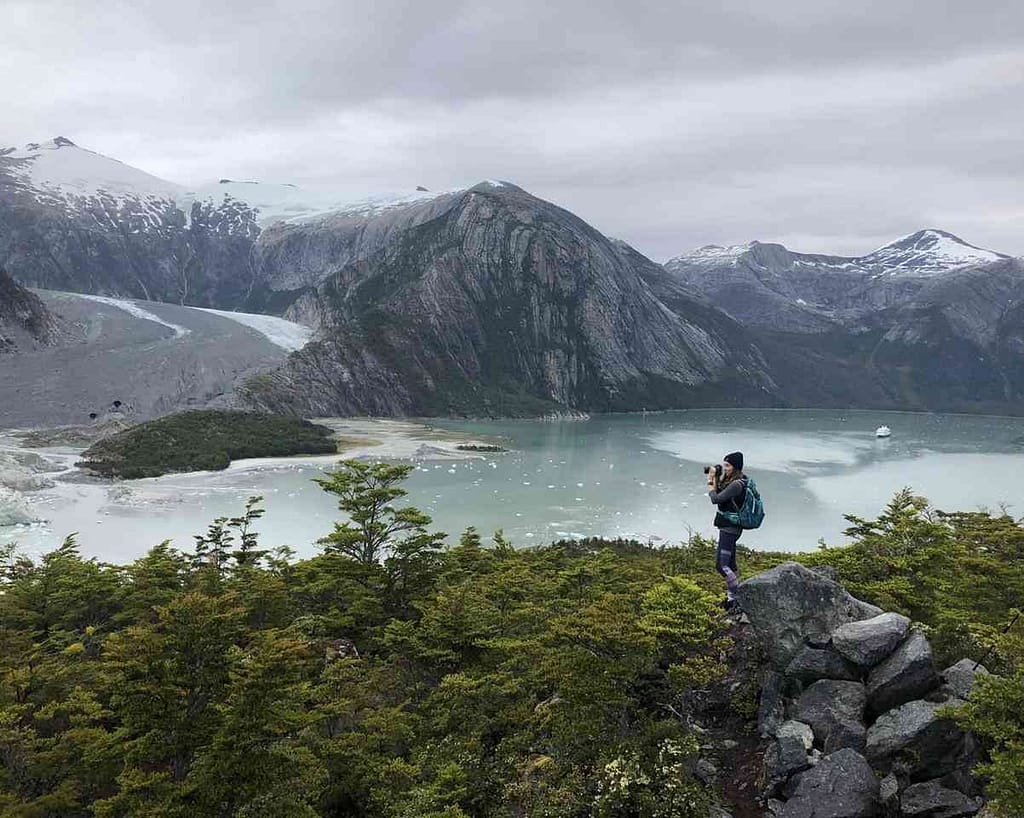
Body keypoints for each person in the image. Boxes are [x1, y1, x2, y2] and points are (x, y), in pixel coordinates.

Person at [707, 451, 746, 610]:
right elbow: (722, 491)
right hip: (730, 527)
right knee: (731, 563)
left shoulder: (737, 484)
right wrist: (717, 477)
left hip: (730, 529)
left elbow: (716, 498)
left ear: (735, 466)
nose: (725, 468)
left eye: (728, 465)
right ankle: (734, 597)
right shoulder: (736, 480)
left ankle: (735, 598)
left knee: (721, 565)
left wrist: (710, 482)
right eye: (724, 465)